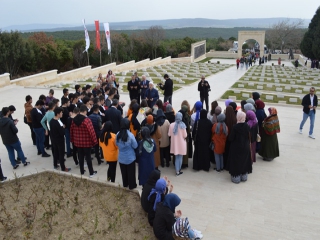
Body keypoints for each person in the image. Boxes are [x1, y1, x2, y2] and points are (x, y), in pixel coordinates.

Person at [70, 105, 98, 178]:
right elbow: (91, 131)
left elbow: (71, 130)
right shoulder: (87, 120)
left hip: (78, 142)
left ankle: (82, 171)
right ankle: (91, 172)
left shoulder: (74, 120)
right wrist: (94, 141)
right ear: (85, 111)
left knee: (80, 156)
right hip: (86, 142)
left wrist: (72, 139)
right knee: (88, 157)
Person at [228, 111, 252, 184]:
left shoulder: (235, 127)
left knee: (236, 161)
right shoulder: (247, 126)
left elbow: (231, 138)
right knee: (244, 160)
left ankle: (236, 177)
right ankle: (244, 176)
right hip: (245, 146)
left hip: (236, 147)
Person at [116, 118, 138, 190]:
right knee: (131, 173)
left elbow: (116, 144)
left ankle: (125, 184)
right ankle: (132, 185)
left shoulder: (118, 134)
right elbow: (135, 146)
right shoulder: (130, 135)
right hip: (130, 157)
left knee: (124, 173)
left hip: (121, 157)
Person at [49, 107, 71, 171]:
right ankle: (63, 168)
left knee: (55, 152)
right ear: (58, 114)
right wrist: (63, 128)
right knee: (61, 154)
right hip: (59, 140)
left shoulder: (52, 121)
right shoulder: (57, 123)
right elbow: (62, 133)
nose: (62, 114)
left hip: (53, 140)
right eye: (61, 113)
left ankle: (55, 165)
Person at [168, 112, 187, 176]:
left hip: (175, 144)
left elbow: (169, 134)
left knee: (176, 157)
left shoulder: (171, 125)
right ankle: (179, 170)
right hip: (181, 144)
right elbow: (185, 135)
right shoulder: (183, 125)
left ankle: (177, 171)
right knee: (180, 157)